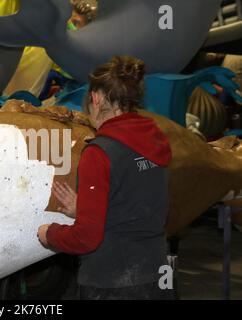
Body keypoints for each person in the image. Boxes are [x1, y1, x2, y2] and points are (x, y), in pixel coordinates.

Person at [37, 55, 174, 300]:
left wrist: (50, 234)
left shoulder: (100, 152)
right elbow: (138, 206)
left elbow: (86, 239)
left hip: (113, 282)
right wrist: (86, 210)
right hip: (158, 275)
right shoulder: (155, 141)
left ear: (96, 98)